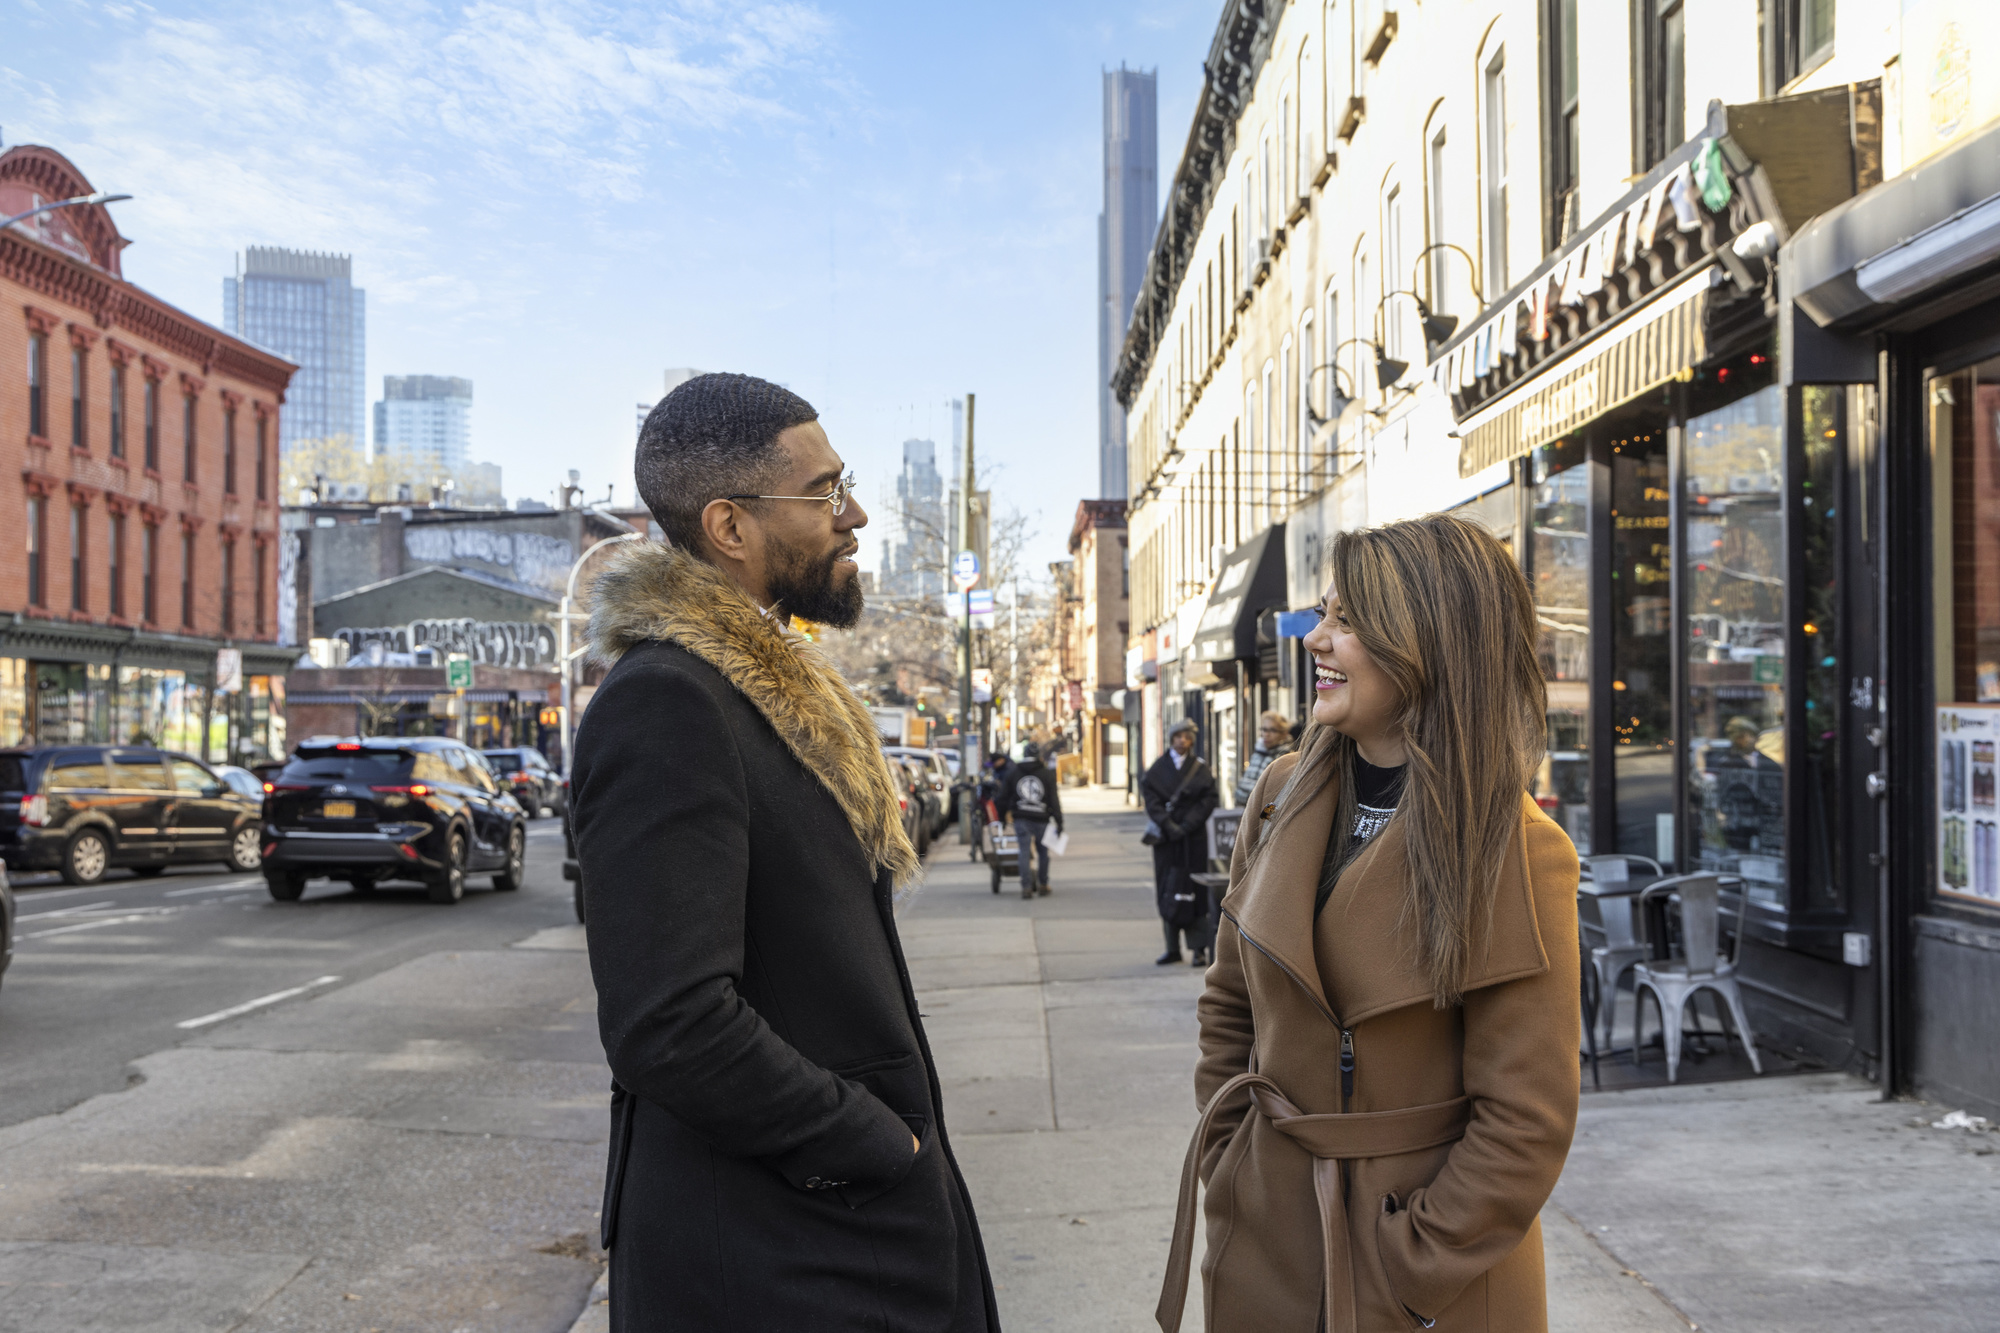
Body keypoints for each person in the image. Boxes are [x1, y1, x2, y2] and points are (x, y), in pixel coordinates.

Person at [573, 373, 997, 1332]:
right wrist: (881, 1146)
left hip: (831, 1240)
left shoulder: (755, 690)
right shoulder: (668, 703)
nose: (852, 514)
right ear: (730, 526)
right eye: (823, 491)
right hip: (776, 1261)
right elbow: (671, 1023)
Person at [1158, 513, 1581, 1333]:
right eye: (1324, 612)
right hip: (1268, 1241)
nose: (1316, 638)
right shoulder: (1281, 792)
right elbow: (1228, 1005)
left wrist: (1412, 1263)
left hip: (1422, 1280)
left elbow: (1525, 1120)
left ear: (1428, 640)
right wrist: (1234, 1166)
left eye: (1346, 620)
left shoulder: (1519, 849)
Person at [1141, 718, 1220, 967]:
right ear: (1171, 738)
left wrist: (1187, 825)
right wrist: (1169, 825)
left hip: (1193, 838)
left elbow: (1209, 799)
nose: (1182, 741)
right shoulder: (1157, 769)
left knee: (1195, 890)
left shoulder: (1200, 768)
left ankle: (1198, 949)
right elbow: (1151, 800)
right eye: (1178, 736)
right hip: (1167, 840)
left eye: (1187, 737)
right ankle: (1172, 947)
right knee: (1168, 887)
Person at [996, 739, 1064, 899]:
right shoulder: (1046, 773)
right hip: (1042, 818)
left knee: (1024, 852)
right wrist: (1059, 821)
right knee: (1043, 853)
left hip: (1021, 818)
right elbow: (1054, 799)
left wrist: (1002, 818)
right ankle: (1043, 884)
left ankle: (1026, 887)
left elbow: (1003, 797)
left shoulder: (1013, 772)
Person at [1233, 709, 1295, 807]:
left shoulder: (1285, 756)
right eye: (1264, 729)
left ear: (1284, 733)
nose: (1266, 734)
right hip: (1242, 806)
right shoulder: (1258, 750)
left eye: (1272, 730)